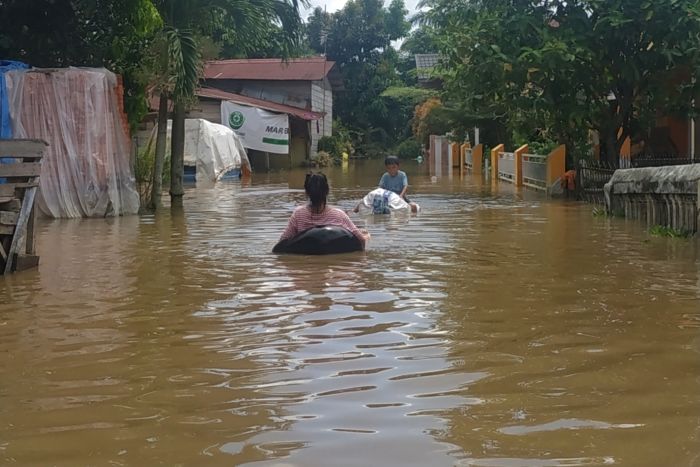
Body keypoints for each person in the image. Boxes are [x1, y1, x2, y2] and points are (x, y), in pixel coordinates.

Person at [279, 172, 370, 248]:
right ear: (327, 191)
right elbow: (361, 240)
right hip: (334, 264)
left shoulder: (298, 214)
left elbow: (282, 243)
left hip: (307, 262)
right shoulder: (339, 215)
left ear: (306, 193)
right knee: (365, 234)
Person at [353, 188, 419, 215]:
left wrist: (355, 211)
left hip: (376, 193)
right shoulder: (406, 206)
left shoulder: (398, 198)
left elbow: (363, 200)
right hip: (385, 200)